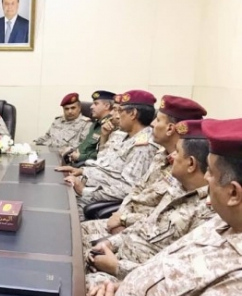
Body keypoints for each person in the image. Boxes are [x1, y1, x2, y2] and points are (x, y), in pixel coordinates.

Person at [87, 117, 242, 296]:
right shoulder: (224, 223)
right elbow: (163, 269)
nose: (205, 177)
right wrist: (117, 288)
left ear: (234, 193)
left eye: (212, 173)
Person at [85, 120, 215, 288]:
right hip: (122, 252)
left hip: (135, 278)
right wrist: (111, 243)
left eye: (177, 152)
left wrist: (117, 266)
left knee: (84, 284)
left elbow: (175, 275)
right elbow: (147, 223)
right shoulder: (178, 187)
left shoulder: (208, 211)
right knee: (78, 251)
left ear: (191, 164)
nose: (172, 157)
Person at [80, 95, 207, 240]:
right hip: (127, 219)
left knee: (79, 238)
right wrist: (120, 214)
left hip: (144, 233)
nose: (152, 124)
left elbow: (163, 215)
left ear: (170, 129)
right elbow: (137, 188)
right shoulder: (161, 154)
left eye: (158, 120)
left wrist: (125, 220)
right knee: (76, 231)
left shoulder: (184, 170)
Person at [65, 90, 159, 220]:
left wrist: (84, 191)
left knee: (62, 215)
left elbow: (128, 189)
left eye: (120, 111)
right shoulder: (124, 136)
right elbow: (106, 166)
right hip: (87, 184)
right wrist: (82, 171)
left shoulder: (143, 147)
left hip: (93, 198)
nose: (115, 115)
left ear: (133, 114)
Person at [61, 90, 115, 165]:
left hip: (86, 166)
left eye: (96, 104)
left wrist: (80, 157)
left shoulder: (111, 126)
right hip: (75, 162)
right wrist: (72, 150)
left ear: (107, 106)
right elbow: (85, 147)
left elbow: (103, 155)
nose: (91, 107)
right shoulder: (96, 124)